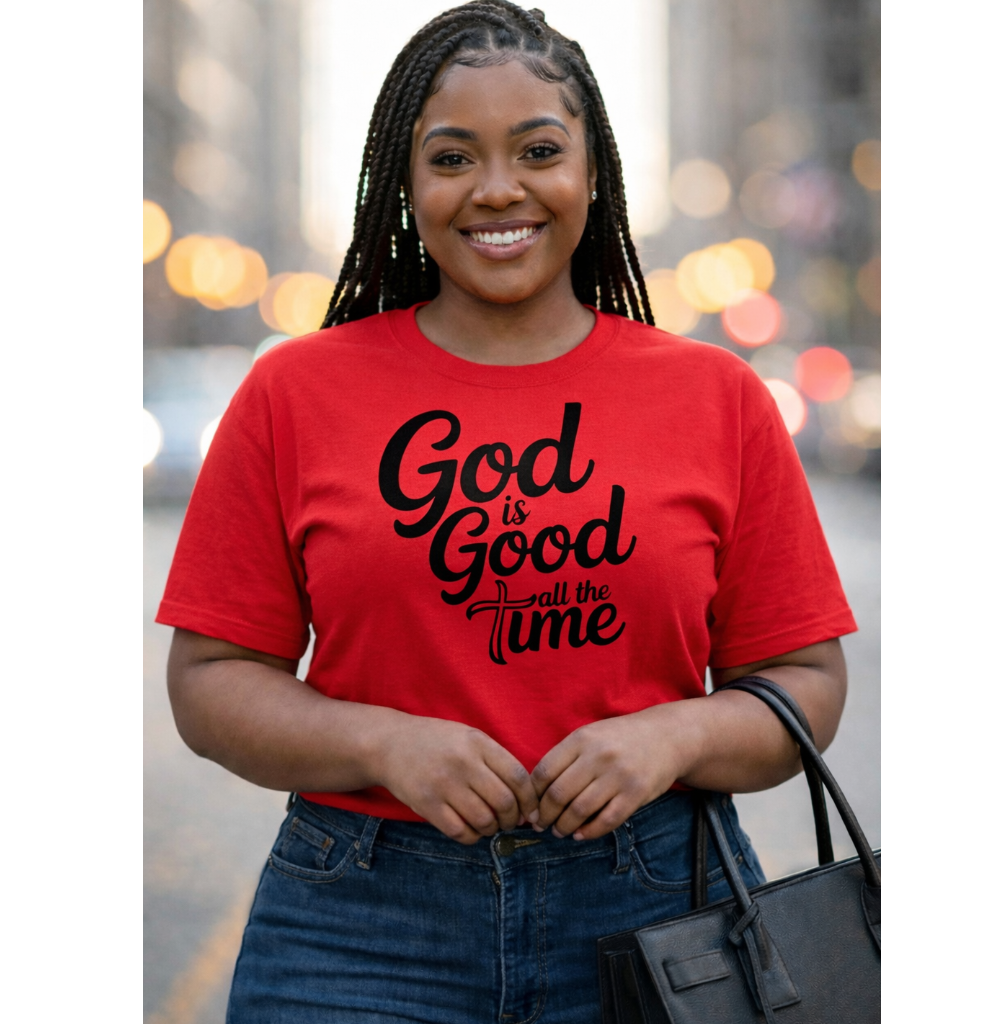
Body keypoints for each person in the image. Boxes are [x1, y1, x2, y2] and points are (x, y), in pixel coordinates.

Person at [158, 3, 856, 1021]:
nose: (497, 189)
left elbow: (806, 685)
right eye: (451, 158)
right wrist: (382, 744)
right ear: (404, 185)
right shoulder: (295, 392)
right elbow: (210, 684)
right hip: (359, 918)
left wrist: (671, 736)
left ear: (591, 173)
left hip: (663, 904)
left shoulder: (715, 396)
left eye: (538, 150)